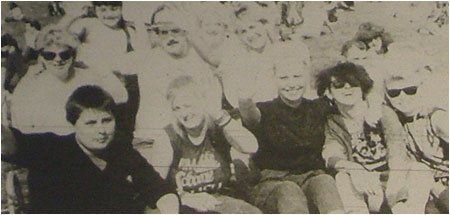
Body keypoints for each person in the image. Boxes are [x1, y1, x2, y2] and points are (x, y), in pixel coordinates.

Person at [2, 85, 179, 213]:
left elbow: (160, 190)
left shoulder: (122, 153)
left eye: (107, 121)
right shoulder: (51, 149)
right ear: (73, 124)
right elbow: (10, 144)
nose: (101, 130)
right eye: (90, 123)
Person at [238, 42, 344, 213]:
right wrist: (244, 99)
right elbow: (250, 116)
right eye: (284, 78)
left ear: (306, 77)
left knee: (325, 182)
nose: (291, 84)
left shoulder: (318, 107)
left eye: (297, 76)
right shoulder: (265, 110)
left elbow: (355, 90)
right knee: (290, 191)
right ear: (274, 79)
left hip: (312, 178)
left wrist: (375, 104)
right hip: (273, 183)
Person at [317, 62, 432, 213]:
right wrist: (354, 168)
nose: (347, 89)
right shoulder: (333, 122)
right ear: (330, 92)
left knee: (420, 170)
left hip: (394, 177)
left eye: (353, 84)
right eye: (339, 85)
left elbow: (397, 147)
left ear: (362, 87)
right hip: (366, 185)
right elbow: (332, 153)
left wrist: (395, 184)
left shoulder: (380, 112)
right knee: (343, 178)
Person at [143, 75, 261, 213]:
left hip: (218, 200)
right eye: (177, 108)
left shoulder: (218, 126)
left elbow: (252, 146)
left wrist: (220, 117)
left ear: (203, 101)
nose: (185, 114)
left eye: (188, 105)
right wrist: (183, 198)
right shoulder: (168, 136)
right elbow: (154, 187)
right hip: (181, 203)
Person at [10, 25, 128, 135]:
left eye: (64, 54)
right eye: (49, 55)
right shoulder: (31, 85)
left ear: (74, 55)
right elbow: (21, 126)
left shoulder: (89, 77)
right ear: (41, 57)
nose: (58, 60)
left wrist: (95, 65)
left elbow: (121, 97)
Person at [382, 43, 448, 214]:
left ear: (422, 86)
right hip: (423, 188)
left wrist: (440, 190)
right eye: (394, 92)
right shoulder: (394, 118)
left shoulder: (436, 117)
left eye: (410, 90)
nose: (402, 97)